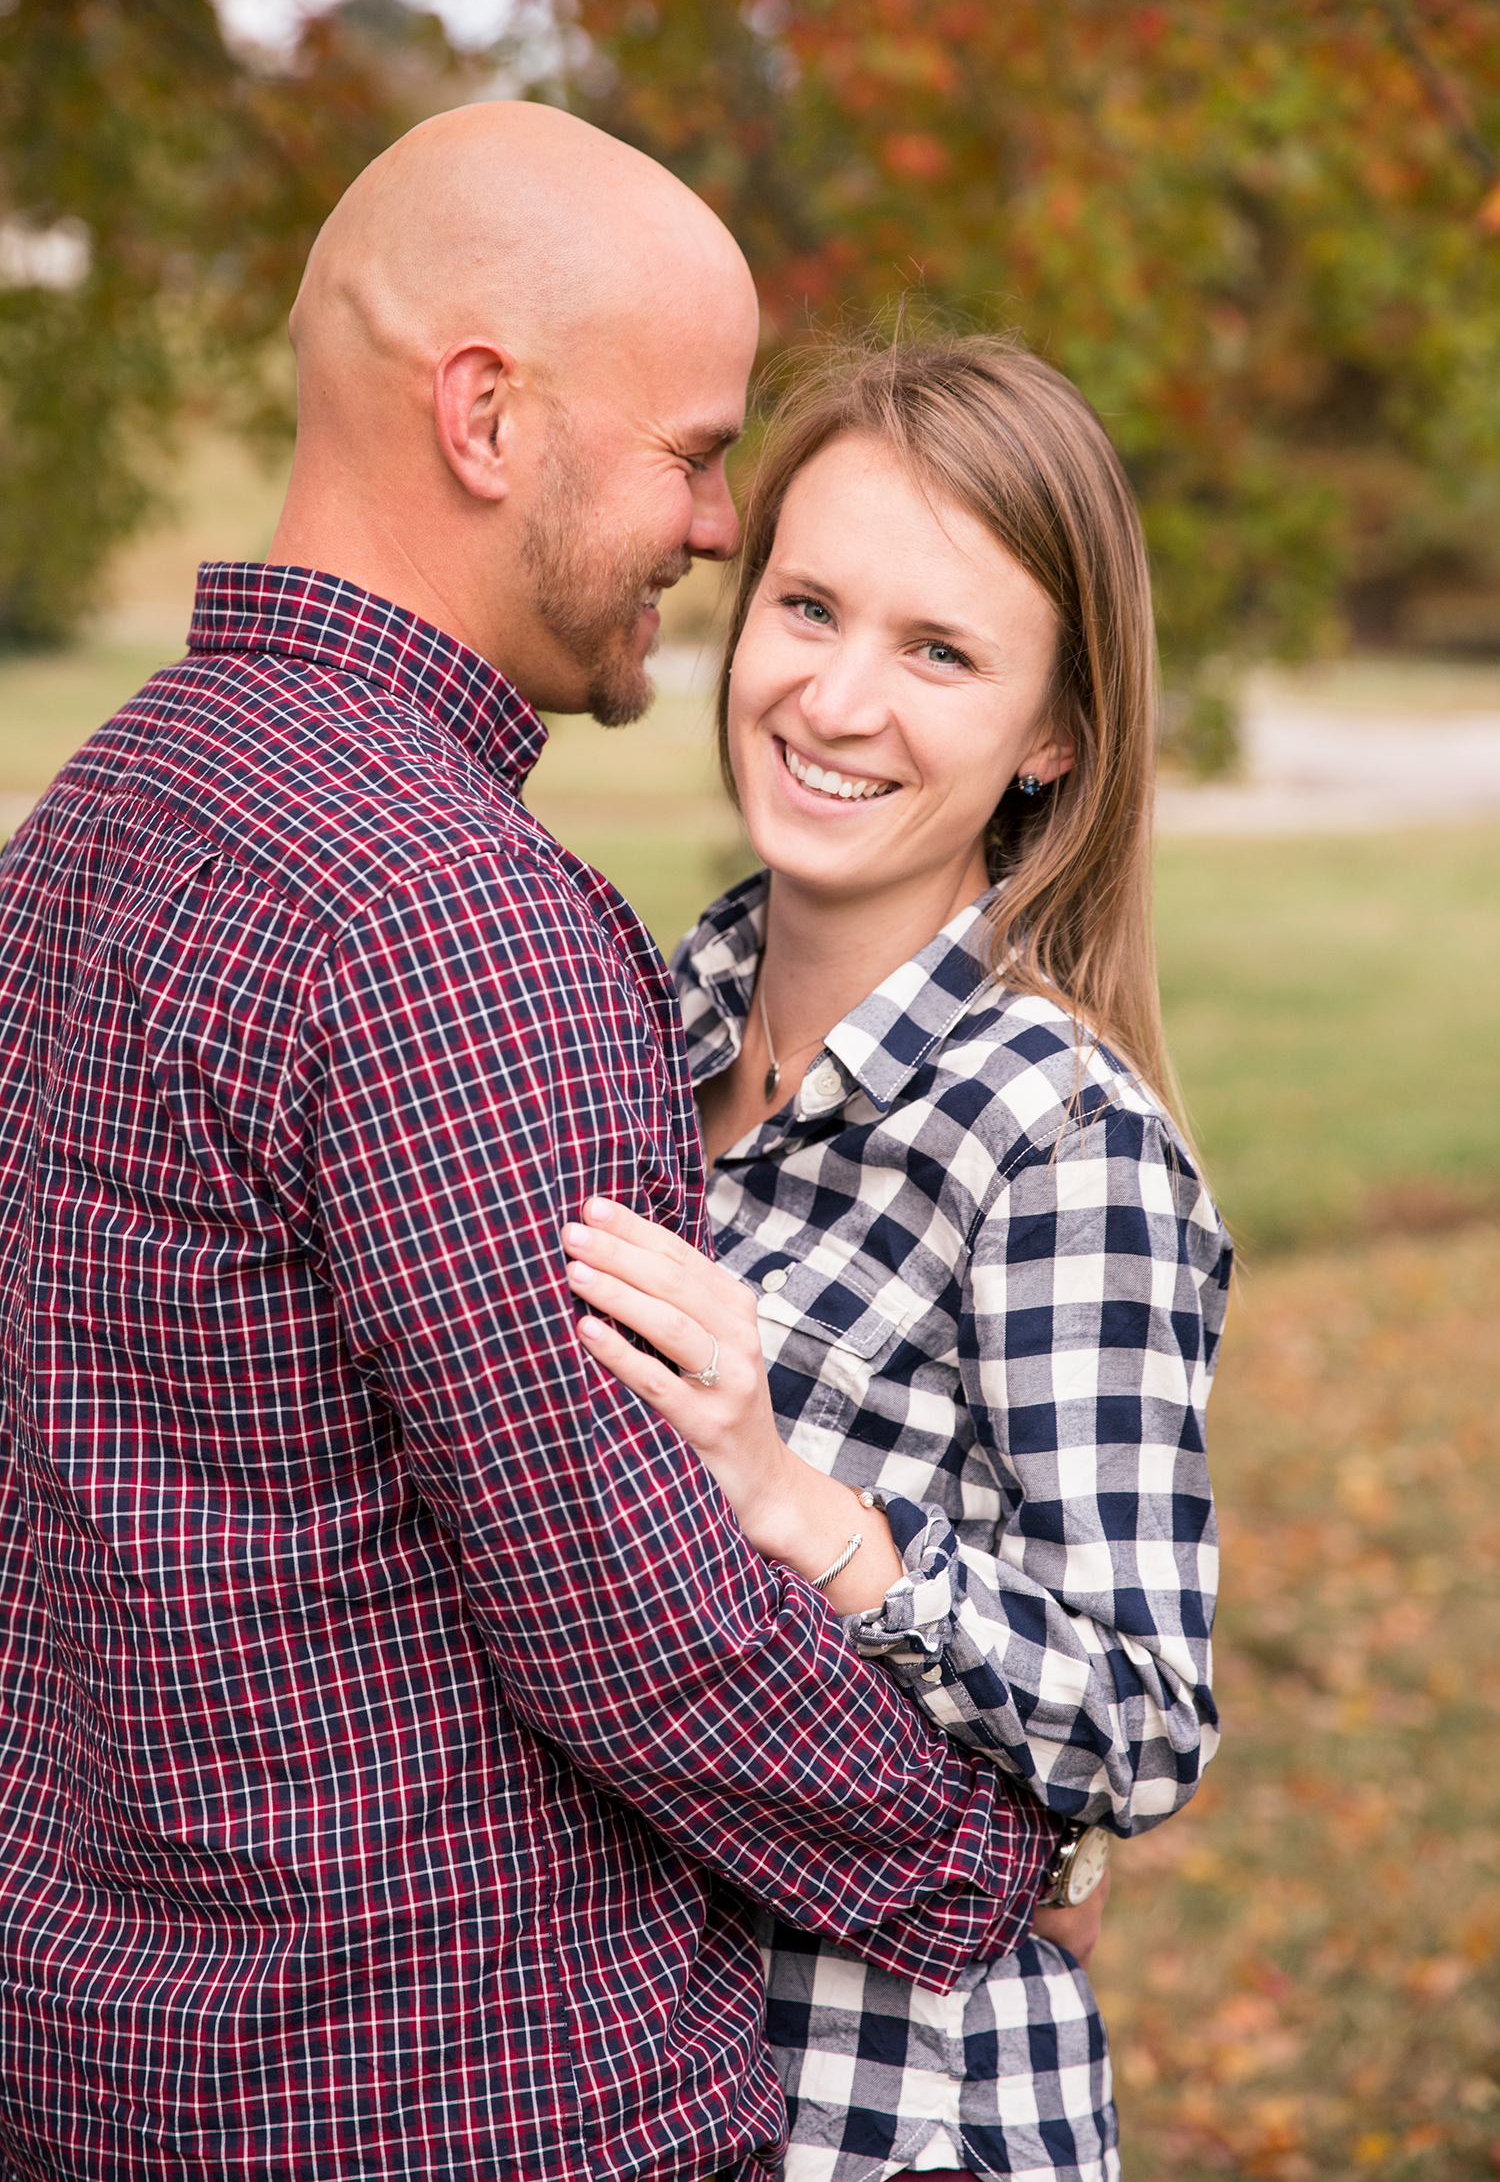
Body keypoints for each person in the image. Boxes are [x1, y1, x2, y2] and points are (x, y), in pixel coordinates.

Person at [0, 116, 1069, 2179]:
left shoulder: (93, 819)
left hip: (96, 2074)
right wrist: (977, 1863)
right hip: (455, 2095)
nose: (712, 523)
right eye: (688, 452)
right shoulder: (449, 919)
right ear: (486, 418)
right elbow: (625, 1599)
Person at [562, 336, 1233, 2182]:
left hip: (895, 2116)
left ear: (1054, 733)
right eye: (809, 607)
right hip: (620, 2082)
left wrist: (799, 1503)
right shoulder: (640, 1024)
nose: (839, 698)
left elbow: (1145, 1717)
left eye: (941, 652)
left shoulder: (1053, 1137)